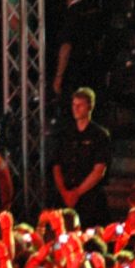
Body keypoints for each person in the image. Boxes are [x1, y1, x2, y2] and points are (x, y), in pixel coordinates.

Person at [52, 86, 113, 225]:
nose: (76, 108)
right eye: (74, 105)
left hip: (90, 199)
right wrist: (64, 193)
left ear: (90, 107)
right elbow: (56, 165)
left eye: (80, 105)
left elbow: (99, 170)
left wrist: (77, 193)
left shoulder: (99, 135)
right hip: (65, 195)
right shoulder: (65, 133)